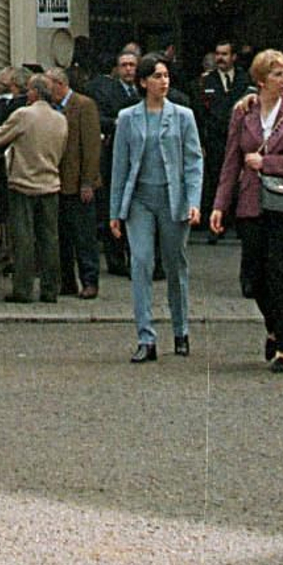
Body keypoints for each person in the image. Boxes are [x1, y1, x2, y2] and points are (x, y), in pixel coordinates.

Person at [209, 48, 283, 372]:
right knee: (253, 277)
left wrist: (267, 163)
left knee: (277, 272)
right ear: (260, 79)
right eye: (276, 74)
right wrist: (219, 205)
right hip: (250, 202)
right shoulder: (244, 113)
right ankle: (272, 326)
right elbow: (231, 160)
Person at [108, 52, 203, 362]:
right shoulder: (127, 118)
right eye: (157, 76)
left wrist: (194, 201)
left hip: (173, 197)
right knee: (141, 262)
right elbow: (119, 166)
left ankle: (181, 329)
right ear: (143, 82)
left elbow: (193, 162)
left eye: (166, 76)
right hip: (140, 199)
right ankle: (145, 336)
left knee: (175, 265)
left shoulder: (183, 116)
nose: (164, 81)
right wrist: (115, 211)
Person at [0, 73, 68, 304]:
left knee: (24, 239)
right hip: (50, 184)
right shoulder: (60, 119)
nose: (26, 93)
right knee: (49, 239)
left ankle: (23, 289)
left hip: (22, 184)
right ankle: (50, 289)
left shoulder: (24, 115)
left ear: (35, 92)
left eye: (29, 89)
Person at [44, 65, 102, 299]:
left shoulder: (84, 105)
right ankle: (67, 281)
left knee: (84, 236)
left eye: (49, 86)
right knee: (62, 237)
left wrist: (87, 181)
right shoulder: (51, 107)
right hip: (56, 181)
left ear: (60, 85)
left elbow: (91, 146)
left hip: (78, 183)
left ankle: (90, 281)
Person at [89, 49, 140, 278]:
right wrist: (117, 122)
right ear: (117, 69)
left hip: (140, 157)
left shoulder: (145, 90)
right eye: (124, 65)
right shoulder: (107, 92)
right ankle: (116, 259)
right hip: (115, 155)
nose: (128, 69)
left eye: (132, 65)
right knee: (115, 207)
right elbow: (98, 118)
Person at [198, 40, 244, 241]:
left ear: (234, 57)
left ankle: (240, 224)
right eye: (218, 54)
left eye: (225, 54)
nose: (220, 58)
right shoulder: (206, 81)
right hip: (215, 140)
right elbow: (201, 113)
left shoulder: (244, 79)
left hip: (240, 137)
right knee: (217, 180)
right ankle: (217, 225)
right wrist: (201, 141)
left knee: (242, 181)